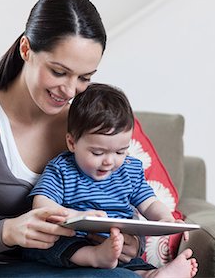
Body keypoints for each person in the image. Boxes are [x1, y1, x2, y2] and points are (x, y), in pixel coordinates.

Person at [0, 0, 147, 277]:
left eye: (84, 78)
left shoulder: (87, 125)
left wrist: (130, 244)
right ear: (26, 50)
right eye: (58, 72)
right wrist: (8, 231)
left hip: (75, 264)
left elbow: (121, 196)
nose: (70, 91)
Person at [23, 83, 199, 277]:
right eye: (97, 152)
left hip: (115, 244)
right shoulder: (61, 168)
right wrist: (74, 215)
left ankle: (151, 274)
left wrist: (167, 219)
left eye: (120, 152)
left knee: (130, 261)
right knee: (48, 243)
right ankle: (94, 256)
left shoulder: (130, 170)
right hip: (72, 240)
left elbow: (149, 204)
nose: (109, 161)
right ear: (72, 143)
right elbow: (41, 203)